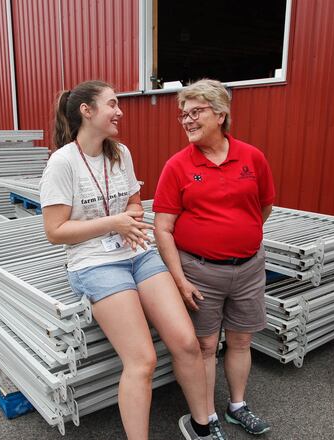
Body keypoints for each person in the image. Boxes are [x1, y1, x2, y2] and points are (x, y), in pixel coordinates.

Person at [39, 80, 212, 440]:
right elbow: (54, 231)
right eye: (112, 104)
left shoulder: (121, 153)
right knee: (143, 360)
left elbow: (134, 203)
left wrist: (128, 219)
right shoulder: (62, 162)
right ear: (87, 111)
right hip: (93, 263)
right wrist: (113, 223)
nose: (120, 111)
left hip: (136, 252)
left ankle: (202, 428)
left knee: (186, 343)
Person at [153, 79, 275, 439]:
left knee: (240, 340)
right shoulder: (177, 166)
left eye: (196, 112)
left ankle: (237, 406)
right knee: (205, 346)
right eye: (183, 115)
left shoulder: (252, 157)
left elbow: (264, 206)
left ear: (221, 114)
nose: (187, 120)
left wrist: (240, 237)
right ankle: (205, 416)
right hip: (199, 272)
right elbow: (163, 228)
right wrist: (180, 279)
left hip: (249, 267)